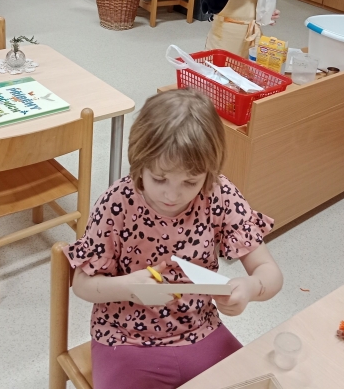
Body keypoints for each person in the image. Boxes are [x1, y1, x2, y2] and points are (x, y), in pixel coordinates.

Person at [66, 90, 283, 389]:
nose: (172, 194)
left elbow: (270, 273)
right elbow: (82, 284)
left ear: (209, 173)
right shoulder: (117, 202)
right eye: (159, 179)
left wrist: (249, 288)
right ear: (140, 164)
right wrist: (128, 287)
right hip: (125, 338)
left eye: (190, 182)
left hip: (201, 329)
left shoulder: (218, 194)